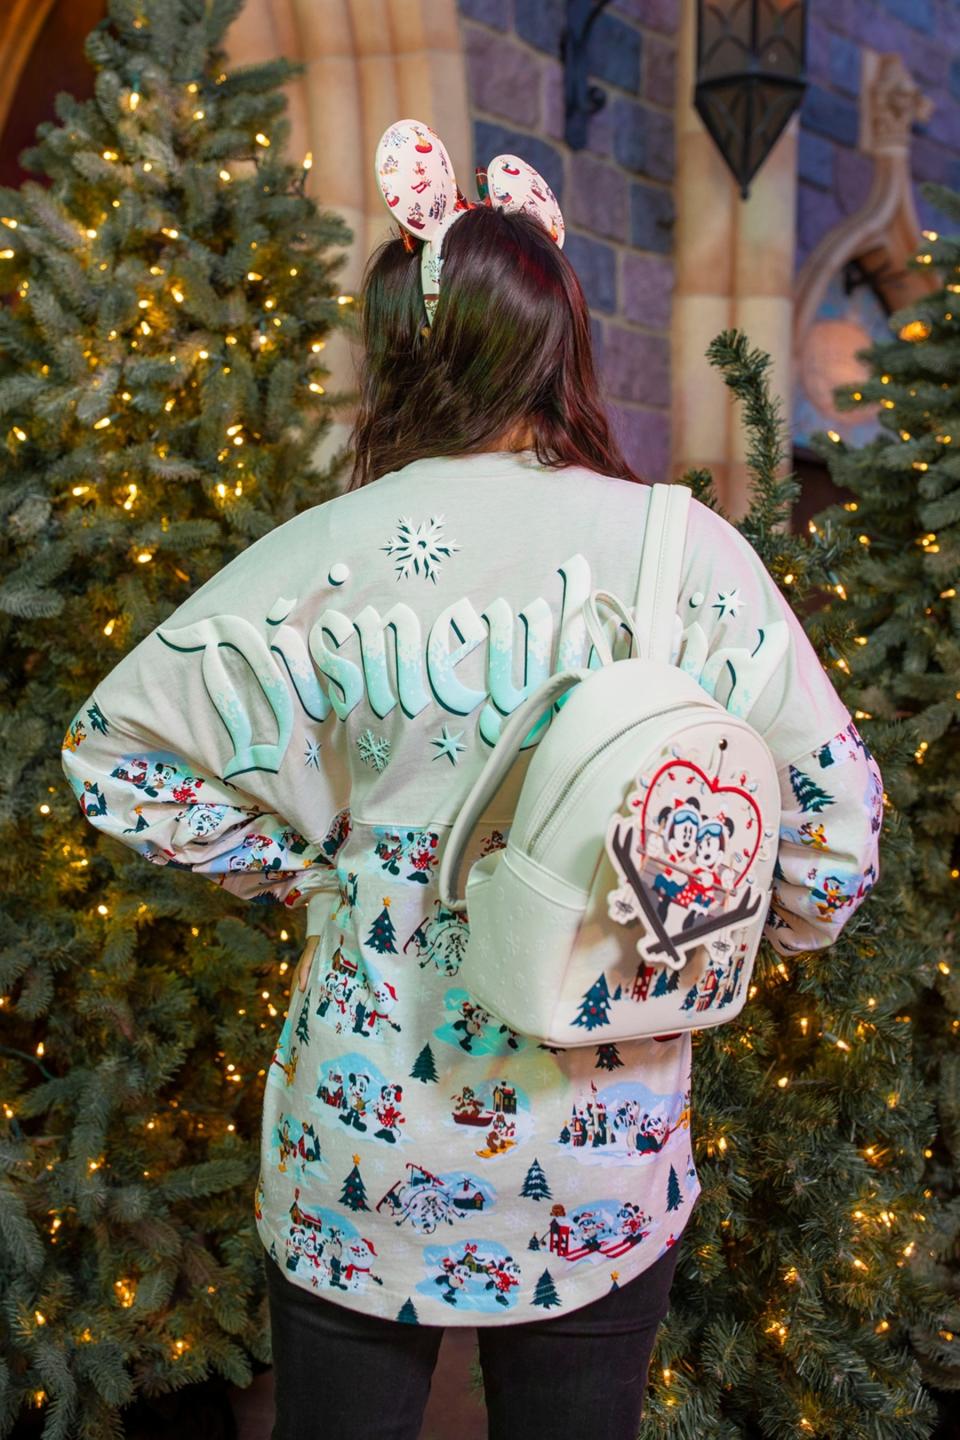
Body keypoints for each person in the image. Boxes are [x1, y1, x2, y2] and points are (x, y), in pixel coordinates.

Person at [60, 119, 883, 1440]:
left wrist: (307, 867)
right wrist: (699, 936)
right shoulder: (687, 549)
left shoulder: (321, 552)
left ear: (407, 347)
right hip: (601, 1139)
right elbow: (836, 842)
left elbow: (115, 752)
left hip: (364, 1136)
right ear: (561, 343)